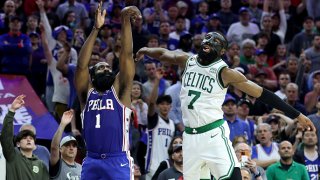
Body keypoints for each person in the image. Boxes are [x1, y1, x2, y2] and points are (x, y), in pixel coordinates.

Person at [136, 31, 315, 180]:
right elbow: (163, 54)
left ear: (221, 51)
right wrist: (145, 49)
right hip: (189, 137)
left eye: (215, 41)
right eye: (207, 38)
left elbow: (262, 93)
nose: (208, 41)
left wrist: (297, 115)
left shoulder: (225, 73)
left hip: (213, 134)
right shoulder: (187, 60)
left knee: (233, 177)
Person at [75, 2, 141, 179]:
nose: (106, 69)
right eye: (100, 68)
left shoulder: (120, 92)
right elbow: (81, 66)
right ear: (93, 76)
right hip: (91, 160)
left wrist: (125, 20)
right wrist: (96, 29)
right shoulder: (86, 94)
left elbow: (127, 55)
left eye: (108, 68)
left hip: (117, 160)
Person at [0, 95, 49, 180]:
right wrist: (12, 110)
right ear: (18, 144)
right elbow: (6, 136)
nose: (29, 139)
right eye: (25, 137)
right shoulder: (12, 156)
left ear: (34, 143)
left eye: (31, 137)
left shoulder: (41, 165)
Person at [49, 110, 82, 179]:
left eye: (74, 146)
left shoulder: (81, 168)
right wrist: (62, 124)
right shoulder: (57, 165)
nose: (71, 148)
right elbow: (54, 148)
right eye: (67, 145)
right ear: (60, 149)